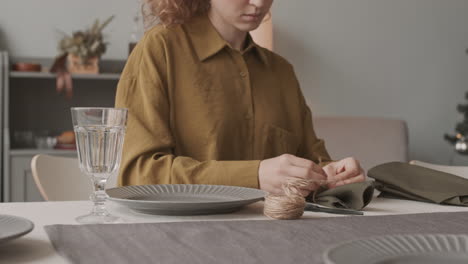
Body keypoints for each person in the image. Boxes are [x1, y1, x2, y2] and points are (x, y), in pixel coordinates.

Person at [115, 0, 366, 197]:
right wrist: (253, 176)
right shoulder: (159, 50)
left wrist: (333, 176)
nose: (258, 2)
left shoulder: (281, 72)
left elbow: (312, 162)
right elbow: (138, 176)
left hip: (278, 241)